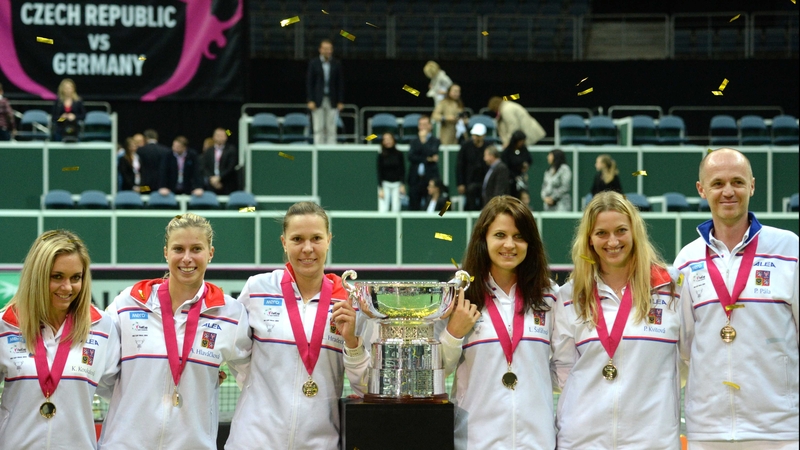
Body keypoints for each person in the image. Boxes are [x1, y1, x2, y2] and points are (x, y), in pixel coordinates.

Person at [674, 148, 799, 449]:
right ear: (701, 189)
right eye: (717, 183)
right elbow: (683, 349)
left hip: (779, 429)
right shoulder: (687, 261)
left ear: (752, 186)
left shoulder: (789, 248)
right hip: (708, 430)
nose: (728, 191)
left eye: (737, 182)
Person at [99, 214, 252, 449]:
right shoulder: (128, 303)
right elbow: (101, 372)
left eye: (196, 249)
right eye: (178, 249)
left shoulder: (231, 314)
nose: (187, 258)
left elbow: (256, 380)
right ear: (166, 252)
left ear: (210, 253)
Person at [225, 202, 369, 450]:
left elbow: (366, 387)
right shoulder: (257, 289)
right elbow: (236, 353)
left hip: (320, 443)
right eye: (297, 239)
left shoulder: (351, 301)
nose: (307, 249)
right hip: (253, 441)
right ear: (283, 242)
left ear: (329, 240)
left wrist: (353, 344)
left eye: (316, 238)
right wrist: (259, 389)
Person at [552, 191, 684, 449]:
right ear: (589, 239)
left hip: (652, 441)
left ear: (635, 232)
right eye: (601, 233)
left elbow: (688, 358)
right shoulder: (570, 296)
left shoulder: (671, 287)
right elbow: (565, 371)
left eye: (621, 230)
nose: (612, 241)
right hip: (583, 441)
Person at [436, 195, 557, 449]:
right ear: (484, 240)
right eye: (500, 235)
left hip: (537, 442)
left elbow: (564, 369)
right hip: (475, 441)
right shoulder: (457, 295)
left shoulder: (550, 297)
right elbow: (437, 372)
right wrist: (453, 334)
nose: (509, 245)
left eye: (519, 236)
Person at [0, 230, 120, 449]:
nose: (67, 287)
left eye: (76, 278)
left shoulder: (102, 326)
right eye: (57, 277)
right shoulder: (5, 325)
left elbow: (124, 397)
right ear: (36, 276)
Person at [307, 39, 344, 145]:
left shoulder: (336, 64)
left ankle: (331, 153)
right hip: (317, 100)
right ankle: (318, 151)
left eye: (330, 49)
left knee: (331, 128)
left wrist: (340, 101)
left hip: (332, 100)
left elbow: (340, 84)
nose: (328, 51)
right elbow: (310, 83)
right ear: (320, 50)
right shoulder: (314, 63)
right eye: (325, 49)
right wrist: (310, 100)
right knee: (318, 128)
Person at [407, 115, 440, 211]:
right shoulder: (413, 141)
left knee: (430, 207)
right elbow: (411, 156)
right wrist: (427, 159)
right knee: (413, 207)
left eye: (425, 124)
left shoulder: (435, 141)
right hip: (415, 180)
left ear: (430, 126)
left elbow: (432, 152)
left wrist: (423, 141)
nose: (423, 127)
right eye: (421, 125)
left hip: (429, 177)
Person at [456, 123, 490, 211]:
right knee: (470, 201)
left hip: (484, 181)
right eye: (474, 135)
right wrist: (460, 183)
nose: (475, 138)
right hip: (469, 181)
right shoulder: (466, 146)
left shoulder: (488, 147)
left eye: (478, 135)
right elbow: (460, 166)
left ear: (483, 135)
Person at [201, 127, 239, 195]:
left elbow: (230, 167)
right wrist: (212, 179)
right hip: (211, 183)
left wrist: (219, 177)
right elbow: (204, 167)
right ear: (214, 137)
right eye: (218, 136)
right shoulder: (209, 151)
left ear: (226, 137)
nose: (220, 138)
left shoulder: (231, 150)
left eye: (222, 136)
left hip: (226, 183)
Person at [377, 132, 406, 213]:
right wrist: (381, 188)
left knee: (396, 209)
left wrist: (402, 184)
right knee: (383, 209)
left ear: (393, 140)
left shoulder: (399, 154)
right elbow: (379, 172)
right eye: (385, 140)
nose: (387, 141)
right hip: (385, 184)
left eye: (389, 139)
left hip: (397, 184)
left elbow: (402, 170)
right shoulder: (381, 155)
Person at [501, 130, 532, 199]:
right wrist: (514, 176)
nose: (522, 143)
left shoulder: (523, 149)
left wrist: (526, 165)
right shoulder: (507, 151)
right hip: (510, 179)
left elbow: (529, 159)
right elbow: (505, 167)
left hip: (521, 177)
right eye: (520, 141)